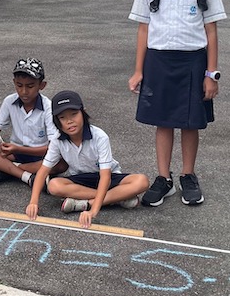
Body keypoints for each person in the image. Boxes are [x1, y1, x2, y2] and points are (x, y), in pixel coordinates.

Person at [128, 0, 226, 207]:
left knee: (190, 122)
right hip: (158, 62)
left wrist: (211, 74)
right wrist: (138, 70)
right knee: (163, 122)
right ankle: (163, 178)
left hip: (193, 62)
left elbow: (211, 31)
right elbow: (143, 30)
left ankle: (188, 175)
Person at [25, 91, 149, 229]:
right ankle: (117, 199)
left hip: (107, 177)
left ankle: (86, 203)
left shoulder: (100, 136)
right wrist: (33, 202)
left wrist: (93, 210)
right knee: (54, 185)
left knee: (142, 181)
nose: (69, 121)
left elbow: (105, 176)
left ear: (83, 112)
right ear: (56, 121)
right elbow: (43, 171)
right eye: (62, 117)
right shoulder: (57, 140)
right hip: (81, 179)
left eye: (74, 114)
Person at [0, 57, 61, 186]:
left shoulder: (48, 107)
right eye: (19, 85)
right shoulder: (9, 101)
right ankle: (28, 177)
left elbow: (52, 148)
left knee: (62, 163)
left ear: (42, 85)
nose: (24, 91)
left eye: (30, 86)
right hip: (14, 153)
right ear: (14, 83)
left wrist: (18, 148)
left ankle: (7, 169)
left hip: (40, 155)